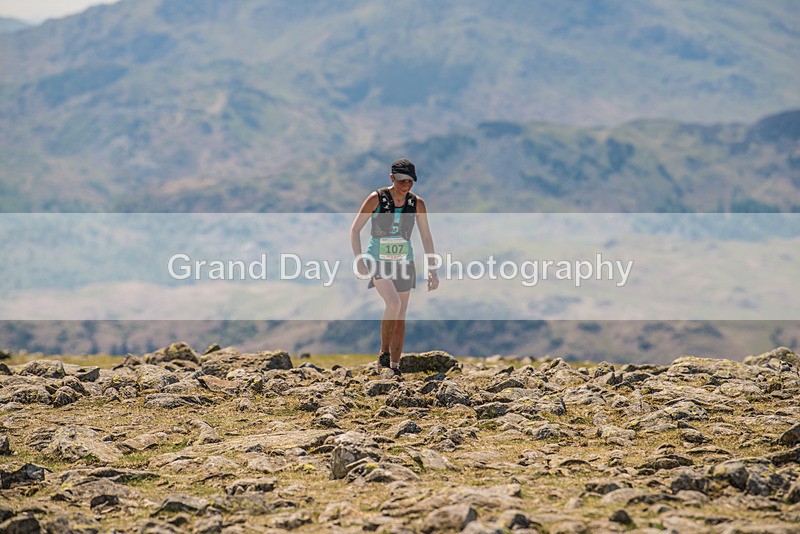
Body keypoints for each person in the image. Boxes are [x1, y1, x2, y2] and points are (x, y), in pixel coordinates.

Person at [350, 158, 439, 376]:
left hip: (404, 261)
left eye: (409, 181)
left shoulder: (417, 204)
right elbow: (355, 230)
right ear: (392, 178)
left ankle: (395, 367)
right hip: (377, 260)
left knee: (401, 314)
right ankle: (384, 355)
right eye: (401, 180)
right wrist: (359, 259)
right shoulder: (376, 198)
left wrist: (432, 268)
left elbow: (426, 236)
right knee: (393, 303)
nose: (405, 185)